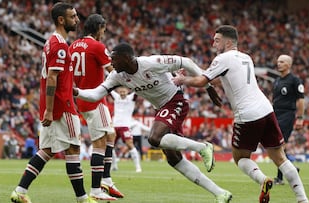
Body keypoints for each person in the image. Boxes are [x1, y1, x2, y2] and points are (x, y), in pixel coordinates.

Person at [73, 42, 233, 203]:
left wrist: (207, 85)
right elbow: (96, 94)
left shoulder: (151, 63)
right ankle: (220, 193)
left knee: (154, 138)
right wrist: (76, 91)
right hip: (161, 108)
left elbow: (186, 62)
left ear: (126, 58)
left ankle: (203, 147)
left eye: (114, 59)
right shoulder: (117, 76)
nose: (111, 63)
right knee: (173, 159)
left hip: (175, 101)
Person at [172, 25, 309, 203]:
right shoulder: (246, 57)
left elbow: (200, 81)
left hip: (247, 114)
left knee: (241, 158)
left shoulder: (223, 58)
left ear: (228, 42)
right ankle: (303, 199)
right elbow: (229, 81)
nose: (213, 43)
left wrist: (183, 80)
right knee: (280, 157)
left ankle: (262, 180)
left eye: (217, 40)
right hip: (266, 109)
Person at [10, 3, 96, 203]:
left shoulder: (51, 42)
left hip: (53, 105)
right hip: (61, 106)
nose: (77, 20)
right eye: (73, 17)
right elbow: (51, 77)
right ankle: (83, 199)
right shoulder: (59, 45)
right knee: (73, 149)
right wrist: (50, 110)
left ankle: (20, 191)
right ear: (61, 20)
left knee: (46, 151)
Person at [69, 14, 122, 200]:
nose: (104, 33)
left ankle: (106, 179)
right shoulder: (97, 47)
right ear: (98, 27)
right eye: (103, 29)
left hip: (81, 98)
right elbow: (113, 71)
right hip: (95, 98)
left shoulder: (73, 45)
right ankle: (97, 189)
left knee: (110, 134)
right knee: (100, 143)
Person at [272, 54, 305, 185]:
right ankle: (291, 168)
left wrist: (300, 118)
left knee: (279, 145)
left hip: (287, 115)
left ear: (289, 65)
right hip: (275, 114)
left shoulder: (295, 80)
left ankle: (280, 178)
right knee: (276, 146)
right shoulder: (277, 80)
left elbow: (301, 100)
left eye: (282, 62)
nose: (278, 63)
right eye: (278, 61)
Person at [110, 86, 142, 172]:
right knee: (110, 146)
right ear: (118, 92)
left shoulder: (131, 98)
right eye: (120, 91)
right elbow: (108, 88)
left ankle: (138, 167)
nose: (122, 93)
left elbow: (138, 90)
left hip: (125, 126)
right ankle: (114, 165)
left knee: (130, 145)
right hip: (115, 126)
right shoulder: (116, 97)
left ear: (127, 91)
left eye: (124, 91)